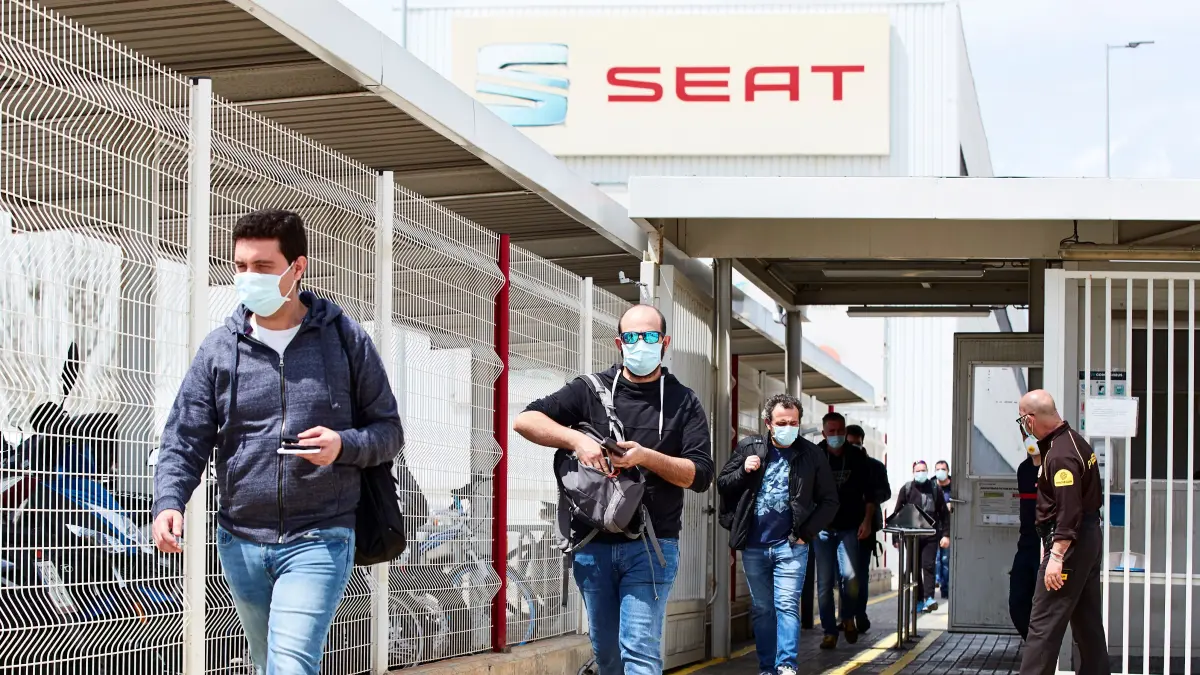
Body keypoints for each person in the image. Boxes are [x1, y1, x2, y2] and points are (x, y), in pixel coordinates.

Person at [151, 209, 405, 675]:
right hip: (241, 539)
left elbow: (389, 431)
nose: (249, 277)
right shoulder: (220, 349)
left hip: (321, 535)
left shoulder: (345, 340)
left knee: (290, 664)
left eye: (263, 267)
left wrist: (343, 445)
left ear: (297, 267)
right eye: (241, 266)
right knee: (267, 661)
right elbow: (185, 435)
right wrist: (170, 500)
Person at [513, 304, 713, 675]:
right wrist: (577, 440)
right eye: (632, 336)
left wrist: (647, 457)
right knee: (607, 653)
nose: (641, 343)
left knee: (639, 648)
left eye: (650, 336)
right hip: (592, 544)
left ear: (665, 342)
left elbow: (699, 475)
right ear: (619, 343)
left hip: (652, 545)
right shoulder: (590, 389)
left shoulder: (684, 401)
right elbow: (525, 420)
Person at [718, 394, 838, 675]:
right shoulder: (749, 447)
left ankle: (786, 666)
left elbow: (830, 500)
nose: (788, 428)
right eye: (782, 423)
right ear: (768, 423)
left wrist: (806, 533)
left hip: (792, 545)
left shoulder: (812, 454)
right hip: (754, 545)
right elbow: (723, 483)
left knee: (786, 605)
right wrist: (744, 471)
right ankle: (766, 668)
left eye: (793, 423)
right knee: (762, 609)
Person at [1017, 390, 1109, 675]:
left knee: (1043, 624)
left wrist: (1056, 555)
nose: (1022, 427)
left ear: (1030, 420)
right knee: (1087, 622)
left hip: (1069, 545)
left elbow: (1069, 511)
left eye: (1021, 421)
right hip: (1086, 539)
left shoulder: (1060, 456)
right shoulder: (1074, 442)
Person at [814, 412, 874, 649]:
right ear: (824, 433)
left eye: (840, 431)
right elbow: (803, 491)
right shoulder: (815, 456)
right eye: (832, 432)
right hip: (822, 530)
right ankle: (829, 631)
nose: (837, 435)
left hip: (849, 527)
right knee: (824, 583)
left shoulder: (857, 457)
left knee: (850, 578)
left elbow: (870, 494)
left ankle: (847, 617)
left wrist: (867, 521)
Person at [845, 424, 890, 634]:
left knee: (860, 574)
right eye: (850, 443)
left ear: (862, 443)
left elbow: (885, 492)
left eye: (857, 443)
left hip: (866, 526)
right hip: (842, 526)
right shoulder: (838, 465)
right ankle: (846, 616)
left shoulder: (874, 467)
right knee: (844, 575)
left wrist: (869, 497)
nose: (853, 447)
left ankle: (859, 614)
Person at [891, 460, 950, 613]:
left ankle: (929, 598)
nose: (920, 473)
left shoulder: (935, 489)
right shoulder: (907, 489)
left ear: (927, 471)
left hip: (930, 536)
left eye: (923, 470)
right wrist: (895, 538)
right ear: (913, 472)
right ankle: (918, 600)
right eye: (918, 471)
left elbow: (944, 514)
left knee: (928, 566)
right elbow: (897, 513)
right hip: (911, 536)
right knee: (914, 568)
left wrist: (946, 535)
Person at [1010, 442, 1042, 640]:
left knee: (1045, 604)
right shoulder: (1024, 469)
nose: (1029, 439)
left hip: (1047, 544)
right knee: (1018, 602)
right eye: (1024, 433)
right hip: (1026, 543)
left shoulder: (1054, 468)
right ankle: (1033, 645)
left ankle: (1041, 651)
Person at [933, 460, 953, 600]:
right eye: (938, 469)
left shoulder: (954, 486)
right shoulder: (931, 485)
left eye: (943, 469)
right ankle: (936, 583)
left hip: (947, 528)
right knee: (935, 560)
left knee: (945, 560)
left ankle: (945, 589)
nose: (940, 471)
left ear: (948, 471)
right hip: (933, 529)